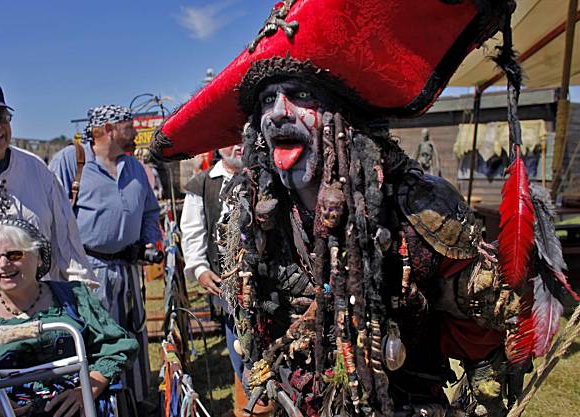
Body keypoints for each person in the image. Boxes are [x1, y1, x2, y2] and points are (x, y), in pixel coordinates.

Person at [149, 1, 576, 416]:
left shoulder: (417, 209)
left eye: (299, 95)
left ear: (343, 115)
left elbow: (486, 331)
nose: (278, 113)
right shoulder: (254, 213)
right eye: (266, 101)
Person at [0, 217, 138, 417]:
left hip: (69, 409)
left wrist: (85, 392)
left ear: (39, 257)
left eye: (15, 255)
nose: (4, 264)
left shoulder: (73, 297)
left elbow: (116, 346)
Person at [49, 104, 162, 404]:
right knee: (97, 340)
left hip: (128, 268)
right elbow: (50, 213)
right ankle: (98, 403)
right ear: (109, 129)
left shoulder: (134, 166)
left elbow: (150, 211)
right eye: (129, 126)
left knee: (133, 335)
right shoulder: (71, 160)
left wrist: (149, 242)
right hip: (87, 270)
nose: (135, 131)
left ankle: (137, 401)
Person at [0, 77, 93, 300]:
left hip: (41, 312)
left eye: (2, 117)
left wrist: (84, 299)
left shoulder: (37, 170)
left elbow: (67, 245)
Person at [181, 144, 271, 416]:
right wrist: (199, 268)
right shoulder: (203, 184)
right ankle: (254, 405)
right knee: (242, 353)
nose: (238, 145)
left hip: (270, 286)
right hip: (228, 290)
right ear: (218, 146)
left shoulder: (266, 174)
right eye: (230, 140)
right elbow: (192, 232)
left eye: (241, 137)